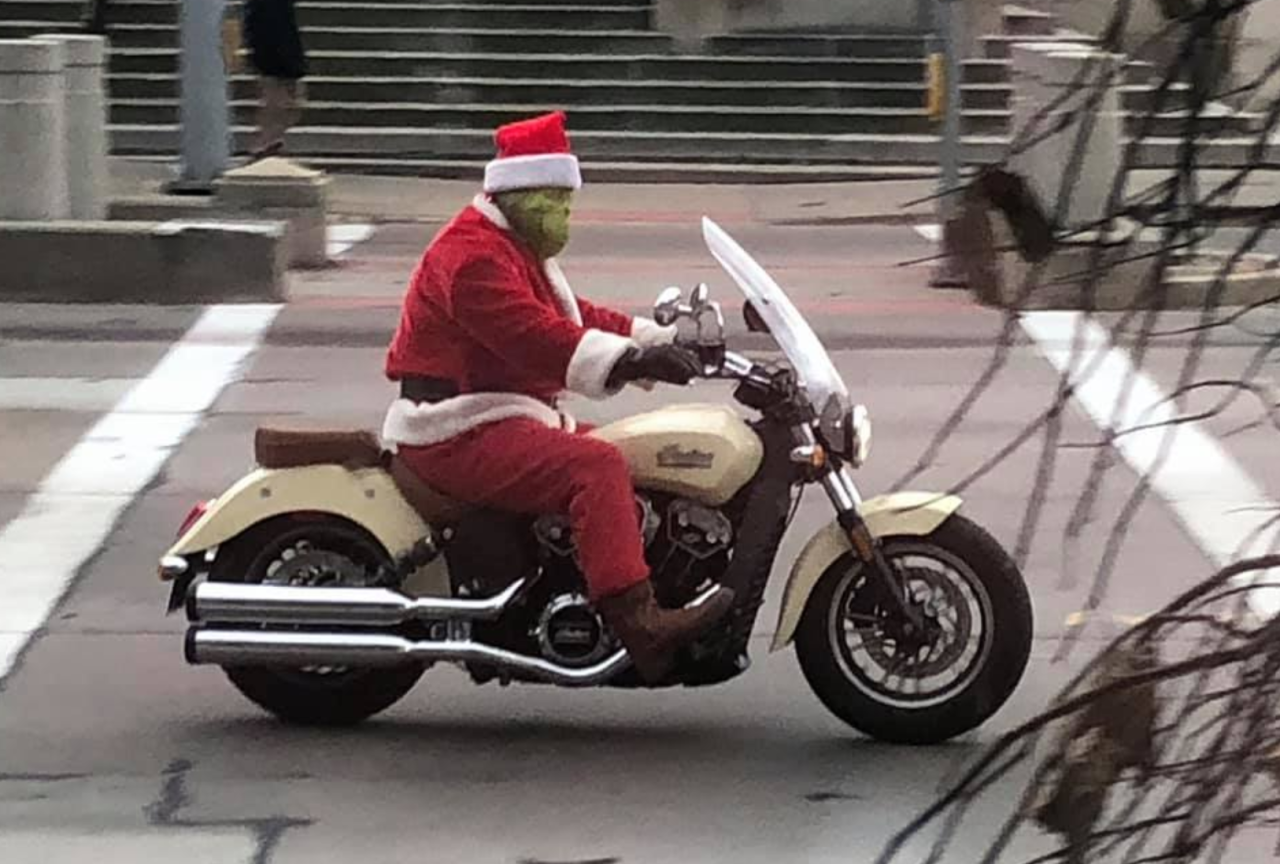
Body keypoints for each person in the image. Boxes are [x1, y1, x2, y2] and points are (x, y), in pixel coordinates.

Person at [381, 111, 735, 684]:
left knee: (638, 457)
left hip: (499, 414)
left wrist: (658, 338)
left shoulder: (511, 247)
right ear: (518, 192)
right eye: (556, 200)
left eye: (568, 201)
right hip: (454, 427)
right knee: (595, 466)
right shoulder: (471, 257)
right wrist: (634, 360)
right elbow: (533, 335)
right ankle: (639, 624)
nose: (565, 214)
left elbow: (574, 316)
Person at [241, 0, 307, 160]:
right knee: (279, 96)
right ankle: (268, 139)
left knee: (284, 97)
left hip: (279, 45)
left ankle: (269, 138)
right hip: (274, 47)